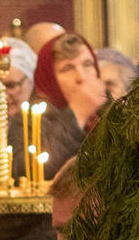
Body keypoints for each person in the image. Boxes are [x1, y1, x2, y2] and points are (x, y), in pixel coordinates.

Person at [40, 34, 106, 176]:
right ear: (49, 77)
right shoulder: (29, 120)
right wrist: (77, 114)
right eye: (68, 68)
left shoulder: (111, 111)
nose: (81, 77)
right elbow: (40, 171)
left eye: (87, 64)